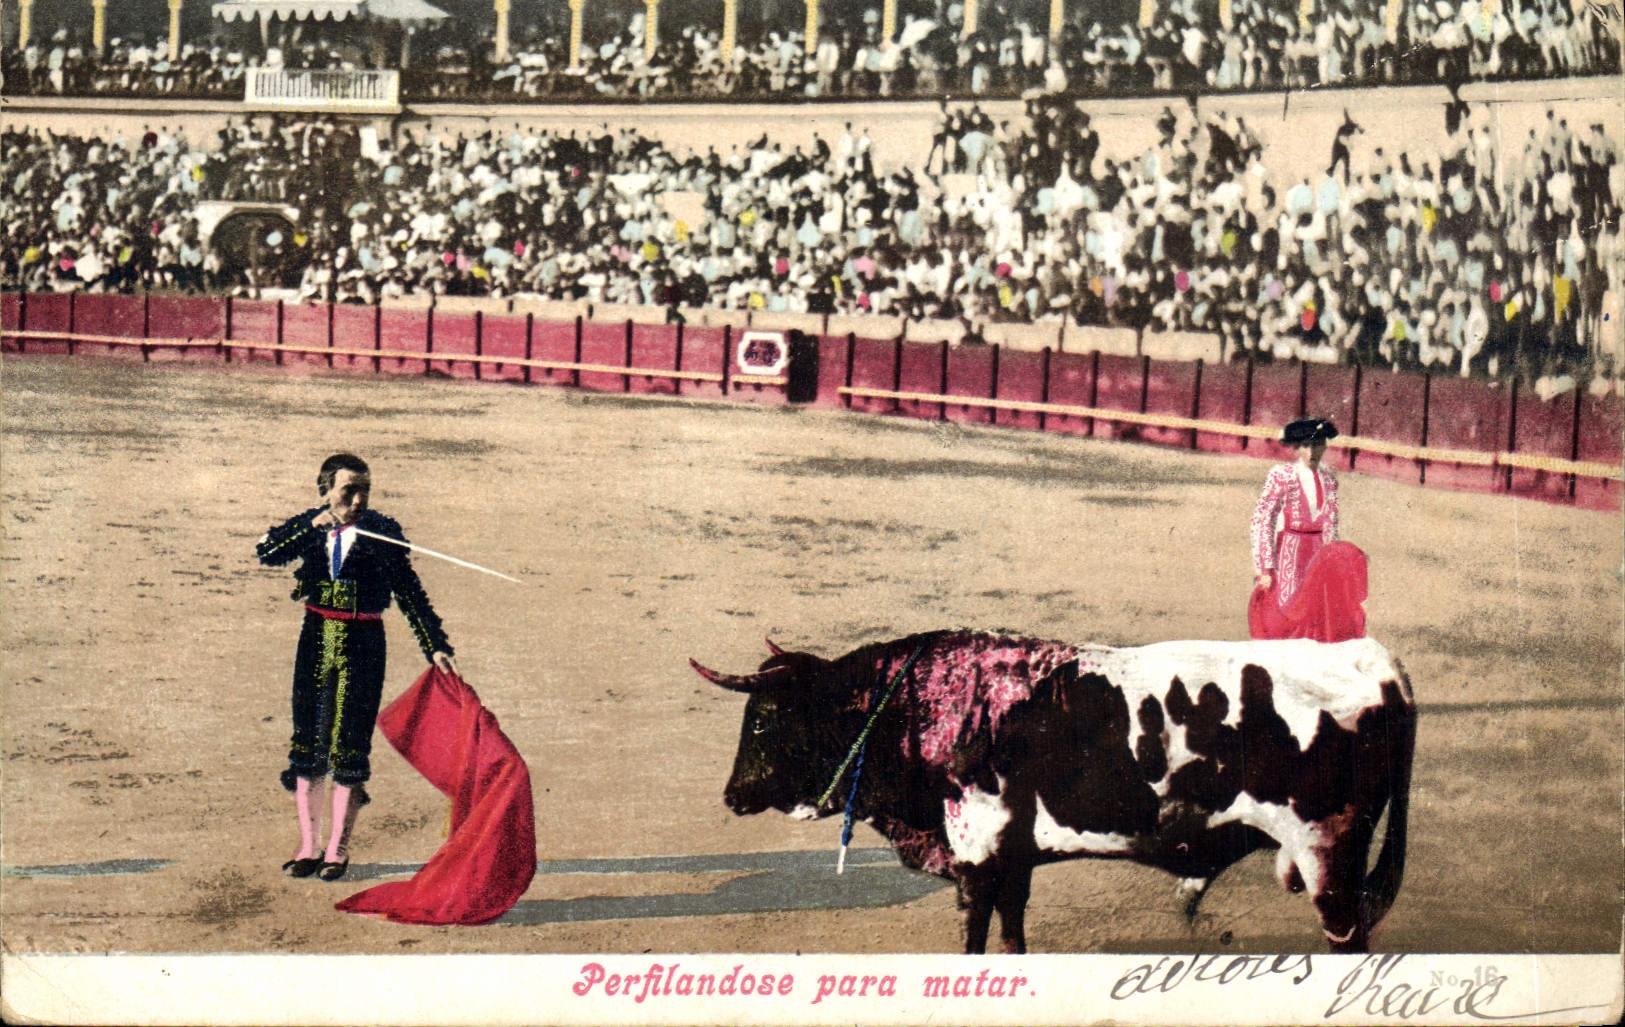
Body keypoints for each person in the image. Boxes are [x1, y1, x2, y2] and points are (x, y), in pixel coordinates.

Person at [256, 454, 456, 881]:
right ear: (326, 489)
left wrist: (434, 645)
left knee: (350, 746)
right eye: (349, 490)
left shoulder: (383, 532)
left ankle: (337, 850)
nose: (359, 499)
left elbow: (409, 591)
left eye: (365, 489)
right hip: (316, 639)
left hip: (364, 644)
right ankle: (308, 847)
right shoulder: (311, 526)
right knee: (308, 745)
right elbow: (267, 551)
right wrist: (309, 527)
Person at [1248, 418, 1367, 642]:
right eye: (1305, 445)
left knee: (1319, 613)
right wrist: (1264, 568)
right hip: (1291, 553)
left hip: (1319, 554)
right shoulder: (1283, 475)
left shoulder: (1329, 479)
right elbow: (1263, 519)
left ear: (1325, 445)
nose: (1312, 451)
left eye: (1317, 444)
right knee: (1289, 610)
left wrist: (1334, 561)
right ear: (1296, 447)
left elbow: (1331, 524)